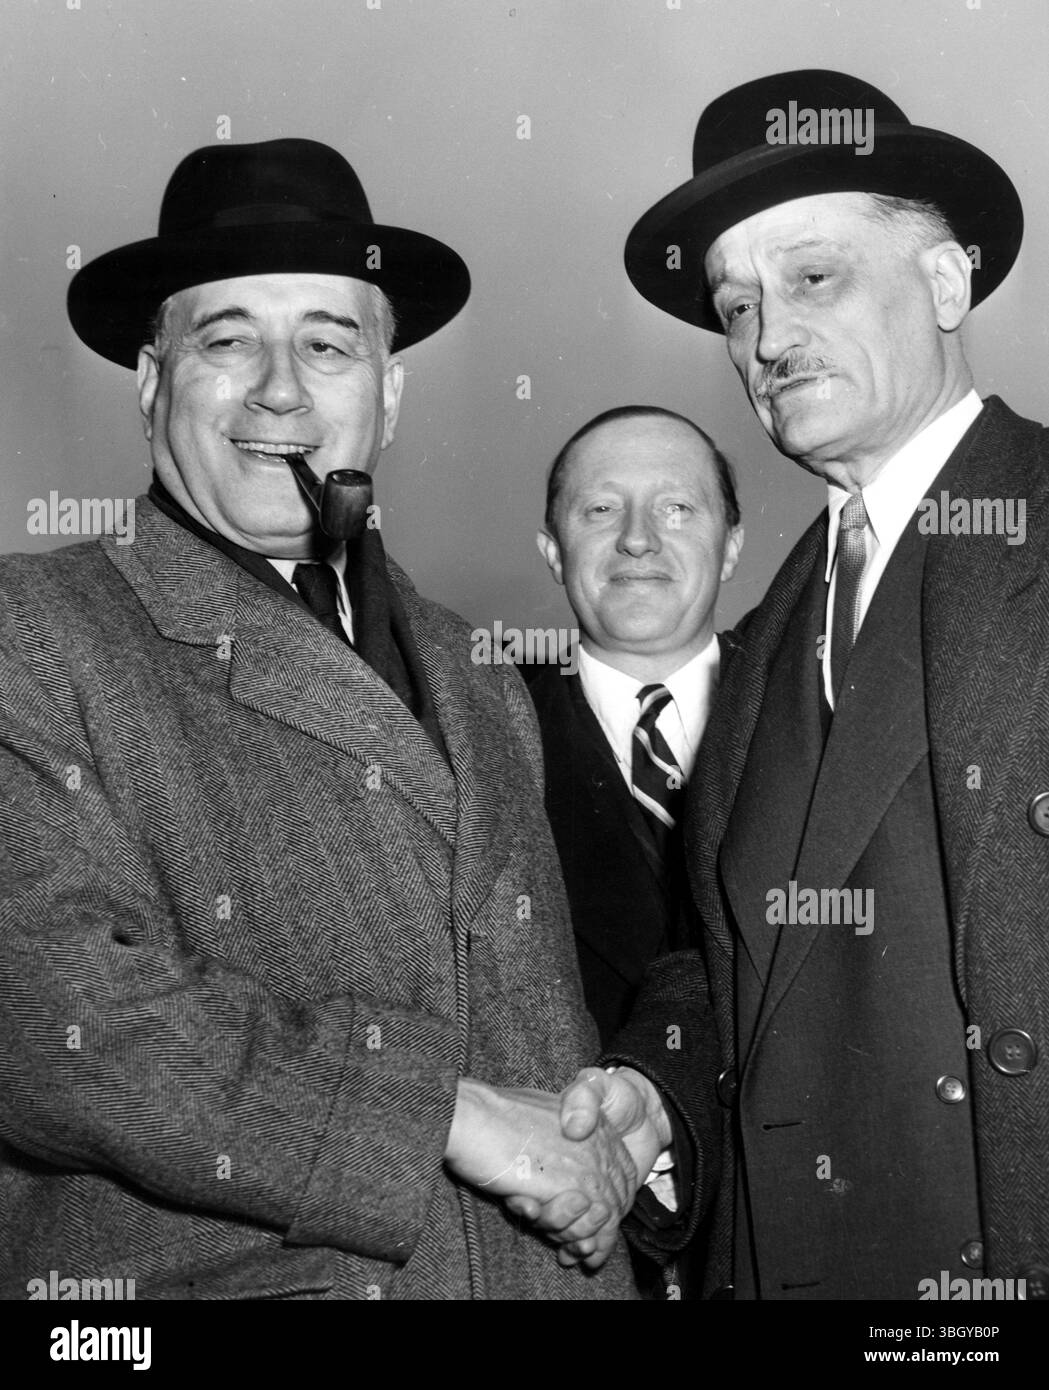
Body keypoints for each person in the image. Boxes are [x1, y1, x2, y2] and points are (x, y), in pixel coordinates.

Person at [0, 137, 645, 1301]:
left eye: (329, 344)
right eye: (228, 337)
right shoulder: (33, 628)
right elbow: (47, 1012)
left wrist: (616, 1119)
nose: (281, 388)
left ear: (387, 391)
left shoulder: (474, 664)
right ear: (152, 384)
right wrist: (438, 1112)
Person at [533, 69, 1049, 1301]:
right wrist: (653, 1088)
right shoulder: (770, 627)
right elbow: (743, 961)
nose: (766, 339)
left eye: (810, 278)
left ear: (944, 281)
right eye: (735, 305)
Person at [527, 406, 743, 1047]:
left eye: (676, 508)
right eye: (600, 510)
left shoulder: (820, 712)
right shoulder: (477, 734)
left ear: (731, 546)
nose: (638, 538)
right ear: (553, 553)